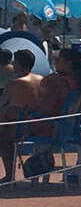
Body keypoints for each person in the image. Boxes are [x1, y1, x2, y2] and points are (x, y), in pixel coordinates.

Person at [0, 50, 41, 183]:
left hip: (23, 128)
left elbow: (1, 104)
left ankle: (9, 175)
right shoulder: (41, 79)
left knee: (4, 140)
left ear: (18, 63)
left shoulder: (15, 84)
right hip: (40, 124)